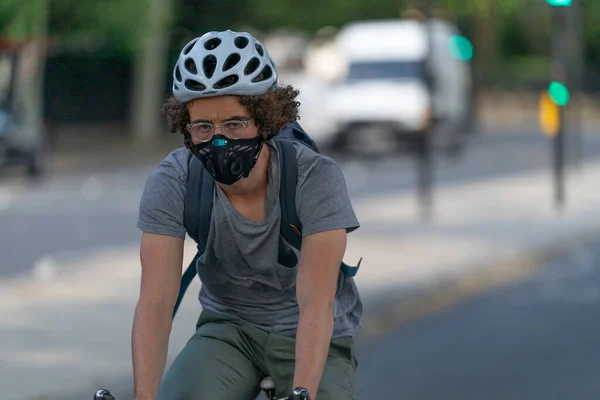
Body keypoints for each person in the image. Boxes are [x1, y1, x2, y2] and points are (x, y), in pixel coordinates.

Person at [133, 29, 363, 400]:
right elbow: (155, 301)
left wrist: (304, 391)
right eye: (204, 127)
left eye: (234, 124)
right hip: (228, 329)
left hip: (309, 332)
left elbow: (316, 304)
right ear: (186, 128)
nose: (219, 140)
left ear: (265, 119)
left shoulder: (315, 177)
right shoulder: (173, 179)